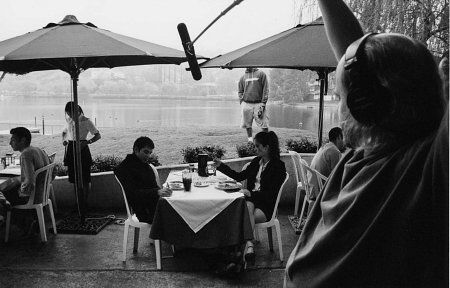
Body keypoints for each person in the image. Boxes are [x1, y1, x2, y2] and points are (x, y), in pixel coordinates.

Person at [284, 0, 448, 287]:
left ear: (365, 105)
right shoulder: (363, 153)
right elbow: (354, 57)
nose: (339, 106)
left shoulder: (430, 167)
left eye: (339, 95)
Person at [214, 131, 286, 265]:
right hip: (251, 203)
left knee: (242, 214)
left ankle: (235, 253)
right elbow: (239, 176)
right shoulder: (256, 161)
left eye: (257, 146)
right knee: (247, 207)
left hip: (266, 206)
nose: (255, 148)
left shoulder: (278, 167)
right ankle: (249, 246)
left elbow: (271, 195)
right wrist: (221, 166)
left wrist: (251, 194)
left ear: (267, 147)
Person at [0, 127, 50, 230]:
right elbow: (51, 172)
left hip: (32, 197)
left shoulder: (25, 154)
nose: (10, 143)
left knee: (3, 196)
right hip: (41, 194)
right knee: (7, 190)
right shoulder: (38, 150)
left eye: (12, 140)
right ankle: (24, 221)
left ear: (22, 140)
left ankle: (21, 222)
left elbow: (29, 181)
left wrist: (21, 193)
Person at [114, 137, 172, 223]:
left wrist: (160, 192)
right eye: (146, 152)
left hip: (155, 205)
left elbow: (153, 187)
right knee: (180, 215)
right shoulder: (123, 169)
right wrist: (157, 192)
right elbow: (133, 194)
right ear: (136, 150)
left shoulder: (144, 165)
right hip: (145, 212)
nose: (148, 156)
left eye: (150, 153)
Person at [62, 101, 100, 212]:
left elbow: (98, 135)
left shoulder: (86, 121)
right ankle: (78, 203)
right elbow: (64, 132)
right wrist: (64, 140)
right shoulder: (69, 120)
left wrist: (87, 142)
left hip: (82, 148)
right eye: (68, 114)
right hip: (71, 147)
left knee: (85, 178)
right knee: (74, 179)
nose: (70, 116)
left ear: (77, 111)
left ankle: (85, 203)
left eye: (71, 113)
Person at [308, 127, 344, 200]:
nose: (344, 142)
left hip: (312, 187)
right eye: (343, 138)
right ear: (339, 137)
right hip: (321, 191)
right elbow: (338, 176)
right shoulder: (335, 152)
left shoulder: (324, 147)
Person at [238, 67, 269, 142]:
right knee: (247, 124)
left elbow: (266, 89)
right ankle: (250, 140)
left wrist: (263, 103)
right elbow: (240, 91)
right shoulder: (243, 77)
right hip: (247, 104)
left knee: (264, 124)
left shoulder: (261, 74)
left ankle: (265, 140)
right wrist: (242, 102)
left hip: (259, 103)